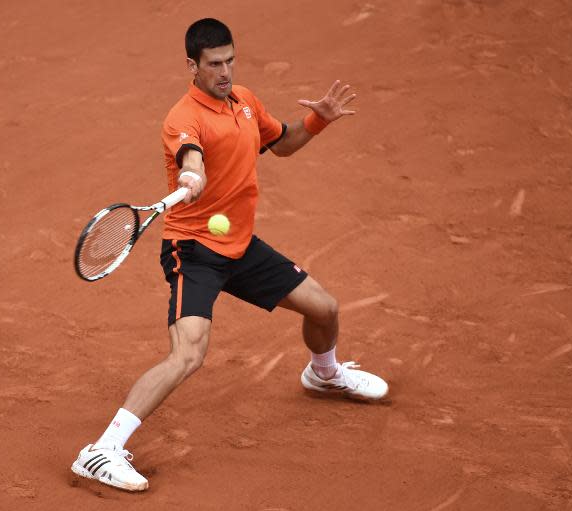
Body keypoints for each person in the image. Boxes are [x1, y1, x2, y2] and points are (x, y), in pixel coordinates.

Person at [71, 18, 388, 492]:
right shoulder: (183, 118)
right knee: (189, 354)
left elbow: (281, 143)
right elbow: (190, 155)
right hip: (193, 250)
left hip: (239, 245)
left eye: (230, 60)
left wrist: (318, 119)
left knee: (324, 308)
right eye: (214, 64)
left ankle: (323, 374)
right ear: (192, 66)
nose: (225, 71)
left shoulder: (244, 101)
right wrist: (191, 176)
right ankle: (101, 451)